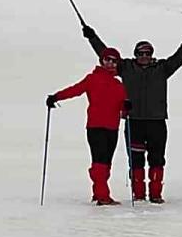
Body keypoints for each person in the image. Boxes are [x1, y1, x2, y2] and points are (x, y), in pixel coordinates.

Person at [83, 22, 182, 203]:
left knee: (157, 158)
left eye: (148, 53)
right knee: (136, 159)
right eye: (141, 53)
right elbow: (105, 54)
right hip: (133, 121)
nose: (144, 56)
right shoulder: (126, 67)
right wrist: (92, 37)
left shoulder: (162, 68)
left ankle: (156, 193)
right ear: (135, 54)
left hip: (157, 121)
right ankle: (138, 193)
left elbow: (179, 58)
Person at [46, 47, 127, 205]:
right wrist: (56, 97)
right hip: (96, 126)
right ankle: (102, 195)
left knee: (106, 161)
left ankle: (99, 191)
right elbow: (75, 90)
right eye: (107, 60)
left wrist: (126, 108)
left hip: (112, 127)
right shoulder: (92, 78)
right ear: (101, 61)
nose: (110, 63)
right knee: (100, 160)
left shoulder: (119, 85)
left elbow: (123, 109)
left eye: (113, 61)